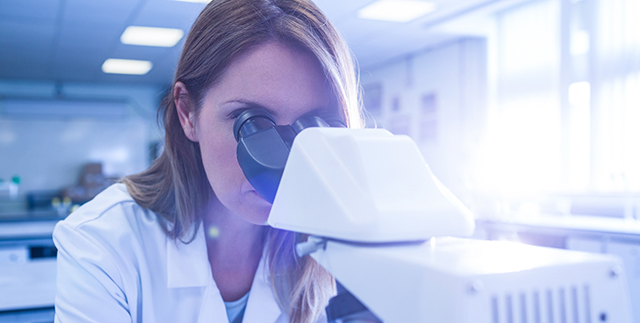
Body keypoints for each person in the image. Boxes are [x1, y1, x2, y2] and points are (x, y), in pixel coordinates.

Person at [52, 0, 362, 322]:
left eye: (311, 126)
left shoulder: (333, 241)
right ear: (187, 113)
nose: (281, 161)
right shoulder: (102, 242)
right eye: (250, 122)